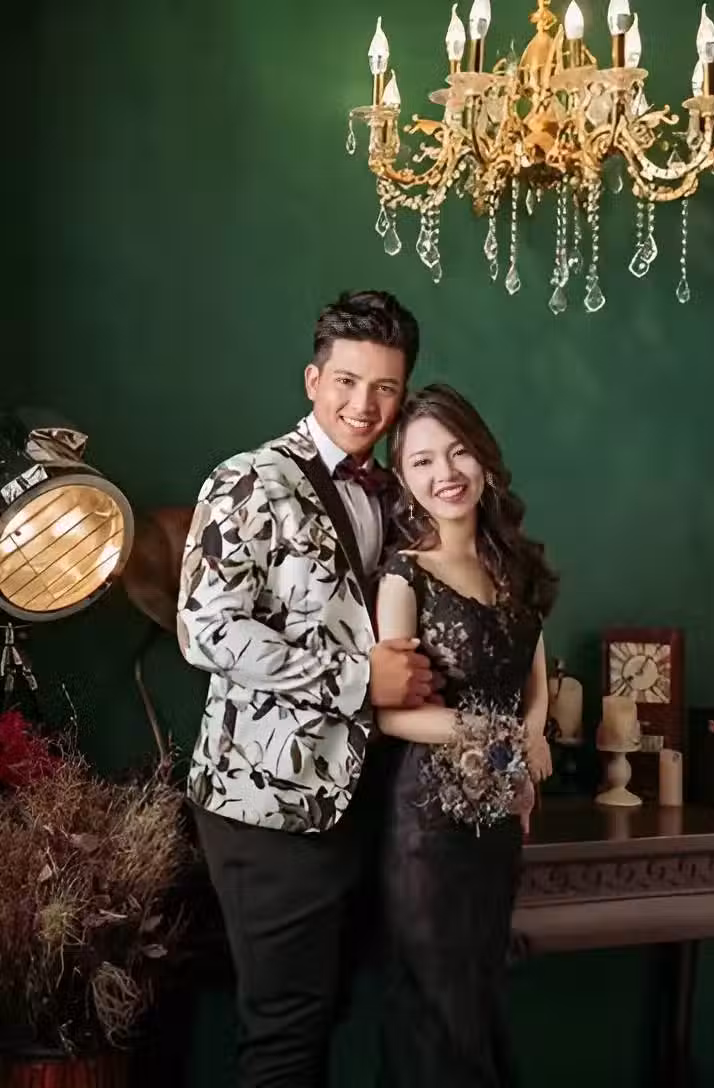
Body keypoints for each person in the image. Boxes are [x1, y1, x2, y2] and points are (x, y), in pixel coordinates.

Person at [176, 290, 438, 1088]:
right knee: (285, 1033)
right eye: (348, 382)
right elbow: (205, 629)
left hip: (368, 797)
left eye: (386, 388)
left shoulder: (399, 491)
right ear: (313, 380)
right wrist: (359, 679)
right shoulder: (248, 479)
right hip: (267, 801)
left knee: (327, 1016)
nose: (365, 405)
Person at [375, 383, 558, 1088]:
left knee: (479, 1001)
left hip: (499, 820)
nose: (444, 473)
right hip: (428, 824)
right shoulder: (405, 575)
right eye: (422, 461)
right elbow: (394, 716)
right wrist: (498, 736)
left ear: (483, 459)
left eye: (457, 453)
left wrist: (532, 737)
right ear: (403, 477)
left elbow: (534, 674)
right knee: (437, 1015)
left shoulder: (514, 567)